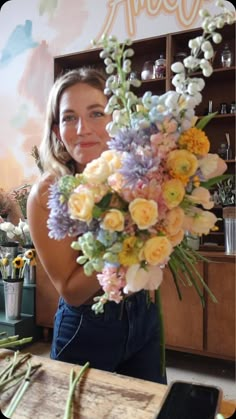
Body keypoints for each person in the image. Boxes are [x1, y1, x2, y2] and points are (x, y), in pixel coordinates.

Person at [27, 67, 167, 384]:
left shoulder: (141, 176)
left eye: (96, 113)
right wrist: (126, 236)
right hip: (86, 328)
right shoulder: (48, 194)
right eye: (69, 118)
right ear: (56, 129)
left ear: (115, 119)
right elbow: (72, 291)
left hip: (144, 316)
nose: (82, 129)